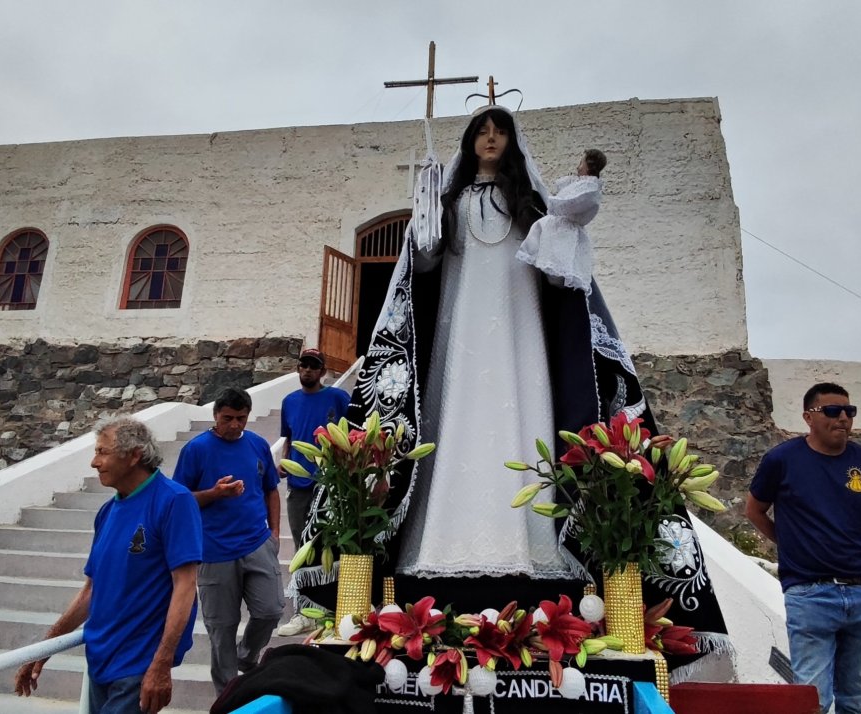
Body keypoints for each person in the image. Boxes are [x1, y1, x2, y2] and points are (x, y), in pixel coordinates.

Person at [294, 106, 733, 678]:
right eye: (481, 130)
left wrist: (569, 222)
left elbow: (558, 278)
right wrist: (424, 221)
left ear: (512, 142)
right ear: (470, 141)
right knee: (453, 431)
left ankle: (534, 550)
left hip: (523, 341)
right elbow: (421, 268)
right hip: (458, 337)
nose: (491, 137)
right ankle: (439, 550)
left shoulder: (534, 209)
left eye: (499, 129)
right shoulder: (451, 204)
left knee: (524, 425)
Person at [15, 416, 201, 714]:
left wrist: (161, 664)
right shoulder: (107, 512)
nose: (94, 462)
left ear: (134, 455)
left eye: (103, 452)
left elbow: (185, 586)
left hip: (137, 664)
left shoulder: (174, 501)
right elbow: (91, 591)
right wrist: (44, 649)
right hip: (100, 660)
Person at [746, 382, 861, 714]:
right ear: (808, 417)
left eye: (849, 411)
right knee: (811, 699)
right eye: (832, 411)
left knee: (858, 697)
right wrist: (791, 544)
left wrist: (854, 547)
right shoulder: (781, 460)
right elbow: (754, 510)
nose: (842, 418)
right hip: (810, 595)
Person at [172, 387, 283, 693]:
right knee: (221, 629)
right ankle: (227, 694)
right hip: (213, 552)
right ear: (215, 416)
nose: (235, 425)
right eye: (228, 418)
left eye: (241, 418)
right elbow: (178, 501)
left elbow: (271, 489)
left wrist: (274, 533)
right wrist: (214, 493)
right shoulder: (196, 450)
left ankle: (247, 657)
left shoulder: (258, 445)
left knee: (272, 609)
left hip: (256, 543)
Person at [274, 348, 350, 637]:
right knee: (301, 548)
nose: (307, 370)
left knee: (331, 546)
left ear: (324, 372)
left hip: (331, 485)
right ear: (297, 369)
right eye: (303, 365)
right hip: (299, 485)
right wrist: (285, 460)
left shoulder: (338, 398)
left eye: (313, 366)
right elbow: (290, 438)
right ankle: (303, 613)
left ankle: (332, 609)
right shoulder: (289, 402)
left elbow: (352, 432)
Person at [516, 148, 607, 293]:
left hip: (564, 235)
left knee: (557, 266)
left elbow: (568, 203)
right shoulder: (582, 184)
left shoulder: (589, 189)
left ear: (589, 165)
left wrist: (552, 202)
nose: (578, 167)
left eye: (581, 163)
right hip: (555, 228)